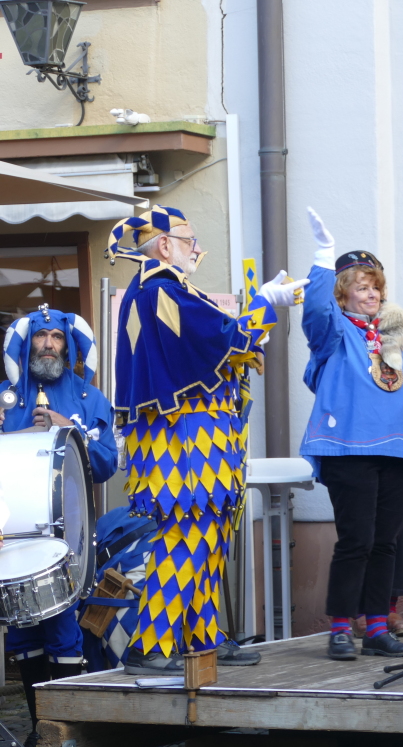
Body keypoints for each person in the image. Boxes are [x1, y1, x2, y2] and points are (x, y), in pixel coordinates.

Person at [107, 205, 307, 674]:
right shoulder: (163, 291)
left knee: (207, 539)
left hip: (197, 442)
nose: (197, 248)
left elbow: (212, 348)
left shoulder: (161, 292)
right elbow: (228, 340)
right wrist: (265, 301)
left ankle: (204, 639)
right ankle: (150, 646)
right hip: (184, 444)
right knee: (185, 540)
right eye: (189, 239)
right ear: (163, 245)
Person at [300, 208, 403, 661]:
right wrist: (322, 257)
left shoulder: (400, 331)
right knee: (356, 540)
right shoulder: (335, 333)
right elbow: (314, 312)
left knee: (386, 543)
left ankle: (376, 626)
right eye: (360, 286)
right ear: (344, 295)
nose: (370, 293)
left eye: (375, 286)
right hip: (348, 448)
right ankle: (341, 627)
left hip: (400, 449)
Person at [0, 305, 117, 747]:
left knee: (64, 632)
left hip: (68, 535)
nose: (48, 345)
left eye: (57, 338)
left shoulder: (88, 398)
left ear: (68, 346)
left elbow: (108, 464)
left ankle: (65, 729)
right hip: (14, 536)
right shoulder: (6, 398)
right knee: (25, 633)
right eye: (41, 337)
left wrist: (71, 430)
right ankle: (37, 728)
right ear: (28, 343)